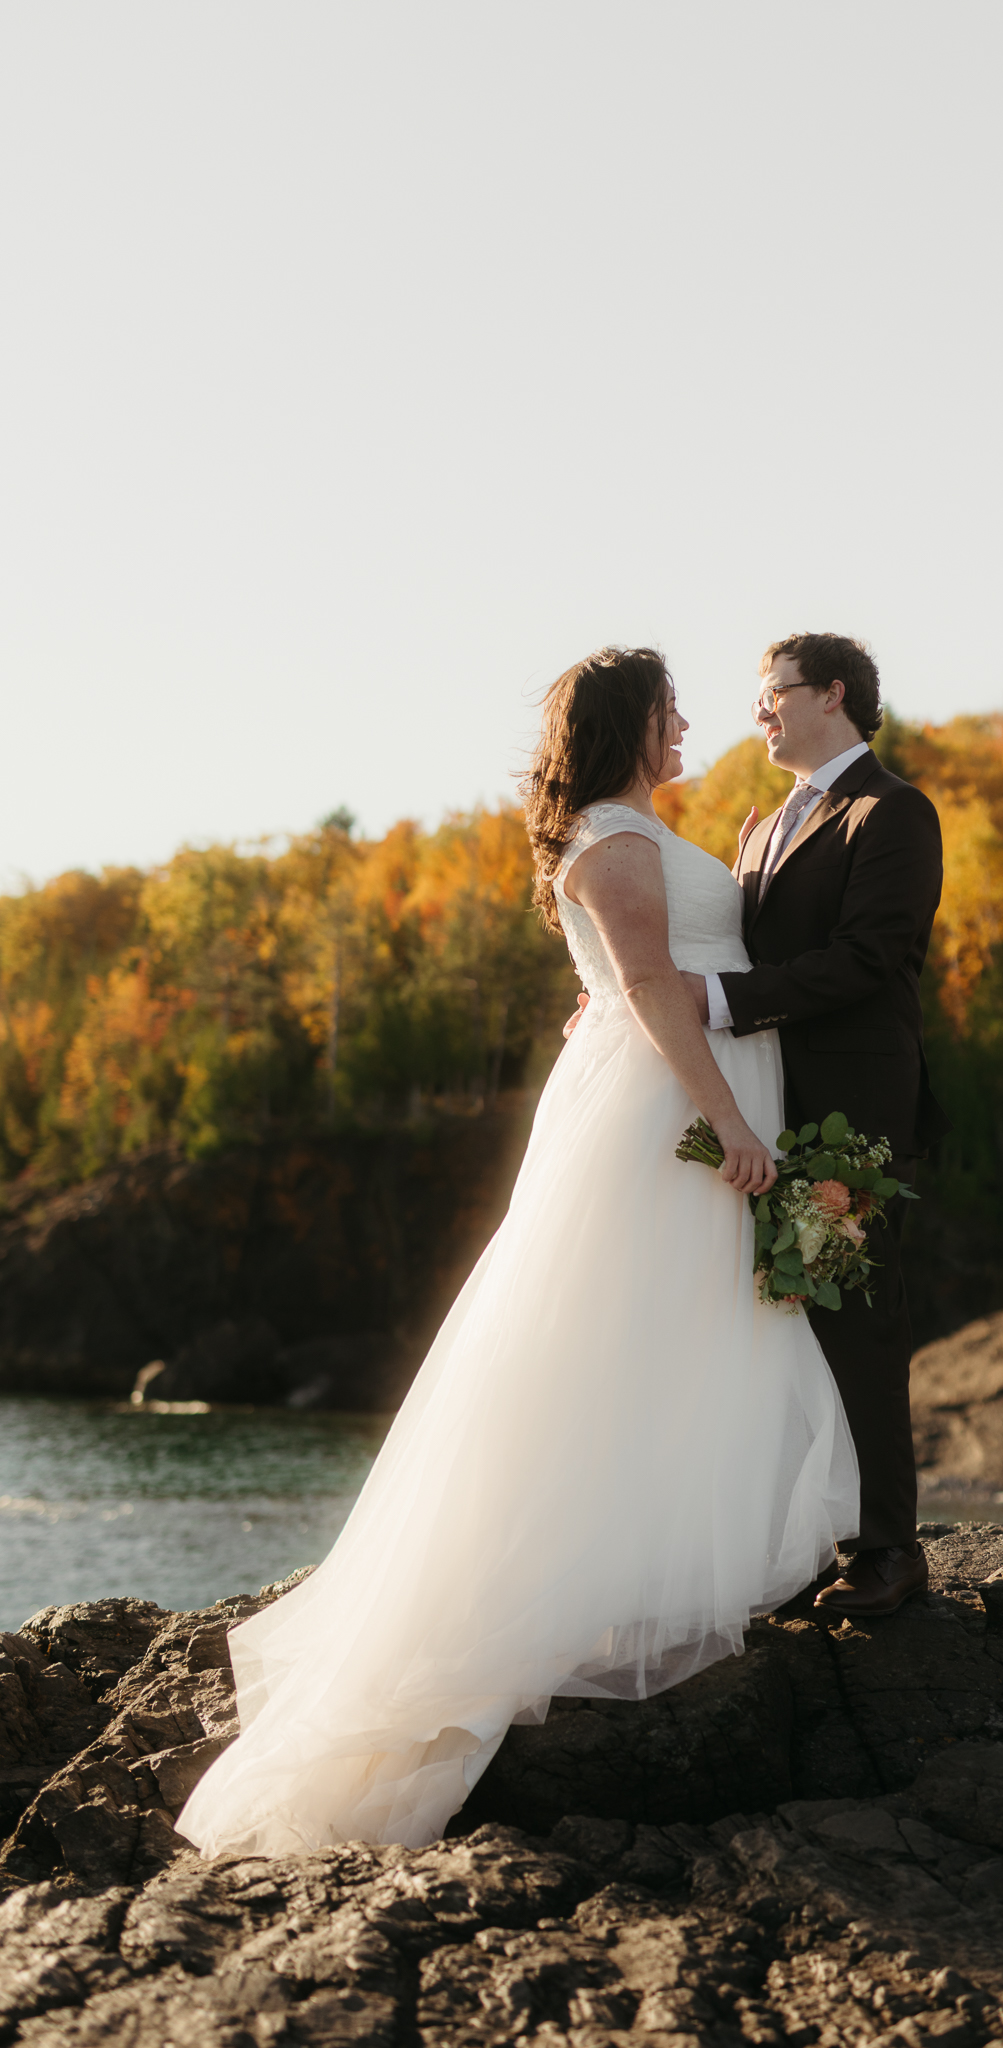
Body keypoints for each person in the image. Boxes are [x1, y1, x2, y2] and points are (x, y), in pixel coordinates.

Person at [176, 646, 858, 1860]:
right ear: (624, 726)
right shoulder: (614, 834)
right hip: (665, 1108)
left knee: (674, 1330)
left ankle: (647, 1565)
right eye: (668, 709)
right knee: (625, 1333)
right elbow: (649, 987)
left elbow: (632, 980)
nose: (688, 720)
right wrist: (733, 1122)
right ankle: (592, 1589)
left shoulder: (631, 828)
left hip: (659, 1087)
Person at [692, 633, 946, 1617]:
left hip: (852, 1114)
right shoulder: (765, 827)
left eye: (773, 694)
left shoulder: (893, 811)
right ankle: (801, 1546)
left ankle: (885, 1549)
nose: (759, 713)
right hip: (760, 1112)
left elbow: (869, 958)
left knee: (855, 1326)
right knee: (780, 1330)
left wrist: (716, 1000)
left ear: (832, 694)